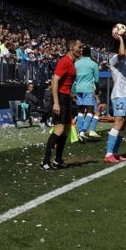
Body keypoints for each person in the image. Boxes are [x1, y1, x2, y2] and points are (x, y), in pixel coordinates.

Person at [42, 38, 82, 170]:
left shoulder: (71, 62)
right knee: (59, 129)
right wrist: (56, 103)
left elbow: (65, 83)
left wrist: (70, 95)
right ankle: (45, 162)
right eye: (79, 47)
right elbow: (55, 81)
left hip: (65, 97)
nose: (81, 49)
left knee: (64, 130)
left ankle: (58, 160)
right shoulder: (64, 62)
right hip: (60, 98)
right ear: (72, 48)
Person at [105, 28, 126, 163]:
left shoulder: (125, 60)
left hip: (125, 95)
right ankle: (108, 154)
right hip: (118, 95)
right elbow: (120, 53)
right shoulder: (114, 60)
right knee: (118, 123)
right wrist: (121, 39)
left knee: (123, 124)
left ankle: (116, 152)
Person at [72, 45, 102, 140]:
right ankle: (83, 131)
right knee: (90, 110)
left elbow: (74, 77)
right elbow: (97, 79)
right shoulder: (93, 64)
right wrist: (97, 88)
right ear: (90, 54)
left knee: (80, 111)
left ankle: (81, 131)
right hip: (88, 89)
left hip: (78, 89)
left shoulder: (76, 64)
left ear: (82, 53)